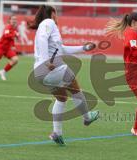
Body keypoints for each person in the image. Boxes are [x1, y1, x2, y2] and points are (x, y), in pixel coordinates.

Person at [28, 5, 99, 146]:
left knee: (61, 99)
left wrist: (83, 48)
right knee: (76, 89)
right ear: (52, 13)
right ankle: (87, 117)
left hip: (40, 74)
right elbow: (42, 38)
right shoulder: (48, 22)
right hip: (50, 68)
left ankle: (57, 133)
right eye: (56, 13)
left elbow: (62, 49)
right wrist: (45, 61)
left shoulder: (46, 26)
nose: (57, 17)